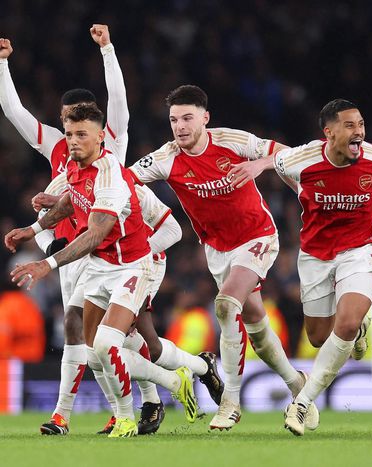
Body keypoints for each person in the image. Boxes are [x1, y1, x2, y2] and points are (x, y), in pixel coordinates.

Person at [231, 98, 372, 436]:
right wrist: (258, 167)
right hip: (315, 255)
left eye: (361, 125)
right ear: (329, 132)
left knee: (347, 322)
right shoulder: (303, 159)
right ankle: (357, 330)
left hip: (360, 251)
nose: (359, 132)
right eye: (350, 126)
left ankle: (302, 402)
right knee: (318, 336)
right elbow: (278, 162)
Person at [0, 25, 166, 435]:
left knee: (122, 338)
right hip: (72, 249)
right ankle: (68, 415)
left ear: (97, 125)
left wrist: (108, 50)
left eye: (81, 121)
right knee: (80, 331)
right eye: (67, 121)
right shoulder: (57, 145)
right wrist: (2, 64)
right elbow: (14, 111)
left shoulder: (111, 143)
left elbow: (120, 102)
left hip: (116, 246)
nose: (73, 130)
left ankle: (153, 395)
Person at [129, 84, 318, 431]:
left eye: (187, 118)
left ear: (205, 118)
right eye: (174, 120)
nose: (180, 126)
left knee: (226, 305)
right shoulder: (166, 158)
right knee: (255, 325)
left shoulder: (232, 141)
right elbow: (121, 180)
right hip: (217, 249)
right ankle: (297, 384)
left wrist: (260, 165)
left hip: (257, 236)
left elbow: (288, 154)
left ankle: (230, 402)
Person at [4, 103, 198, 438]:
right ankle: (172, 380)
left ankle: (125, 417)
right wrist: (33, 230)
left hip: (132, 267)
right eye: (69, 134)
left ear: (100, 138)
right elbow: (71, 200)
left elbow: (94, 234)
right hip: (100, 267)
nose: (73, 141)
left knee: (109, 343)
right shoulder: (76, 167)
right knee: (95, 354)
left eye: (81, 134)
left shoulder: (110, 175)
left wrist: (46, 263)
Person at [37, 171, 223, 435]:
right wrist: (41, 235)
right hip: (101, 266)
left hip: (141, 265)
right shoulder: (69, 180)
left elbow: (173, 230)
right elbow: (44, 220)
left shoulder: (129, 184)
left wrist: (136, 254)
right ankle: (188, 374)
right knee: (92, 339)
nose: (75, 152)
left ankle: (145, 403)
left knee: (123, 343)